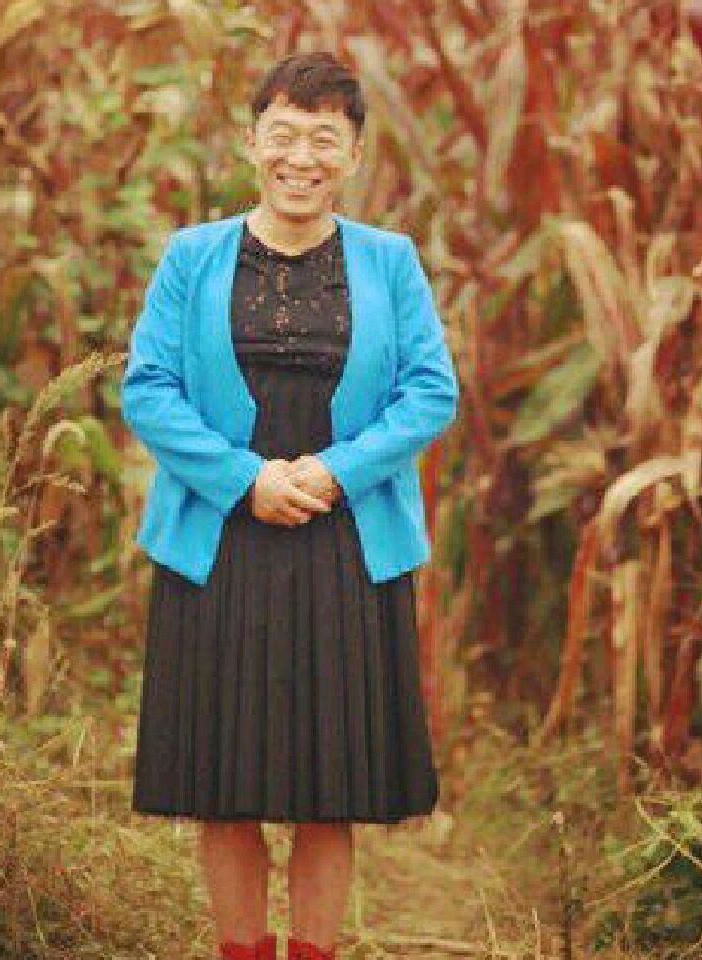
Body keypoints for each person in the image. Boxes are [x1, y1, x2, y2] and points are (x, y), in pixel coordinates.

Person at [121, 52, 459, 960]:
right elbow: (149, 387)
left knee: (328, 784)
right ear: (251, 143)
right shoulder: (192, 257)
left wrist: (335, 473)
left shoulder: (390, 261)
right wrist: (247, 480)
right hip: (217, 539)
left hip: (346, 541)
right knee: (221, 782)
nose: (300, 157)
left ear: (354, 153)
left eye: (323, 139)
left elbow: (430, 391)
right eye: (282, 135)